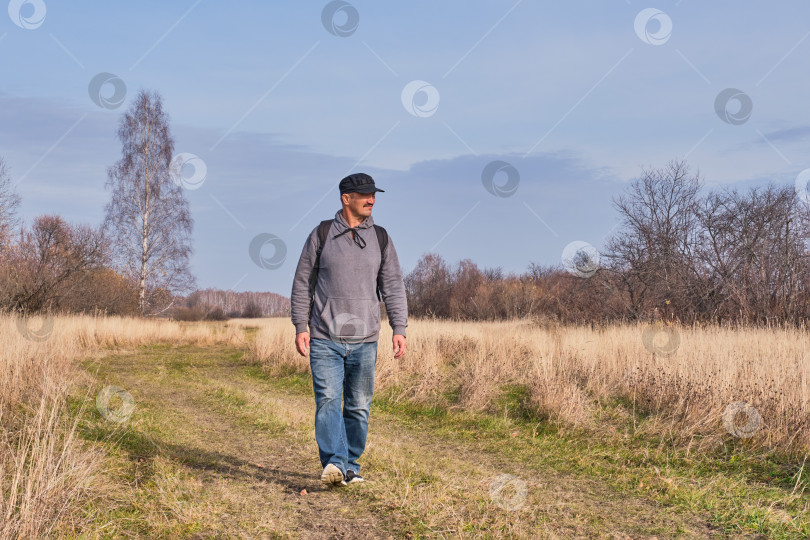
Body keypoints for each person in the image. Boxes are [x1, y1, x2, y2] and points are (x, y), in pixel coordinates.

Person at [290, 172, 408, 487]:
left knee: (358, 406)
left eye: (373, 195)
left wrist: (399, 327)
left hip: (366, 339)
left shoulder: (381, 237)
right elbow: (302, 283)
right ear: (346, 199)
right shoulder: (321, 234)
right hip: (324, 337)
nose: (371, 200)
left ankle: (351, 466)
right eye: (365, 195)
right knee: (328, 399)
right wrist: (300, 325)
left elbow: (393, 286)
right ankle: (334, 464)